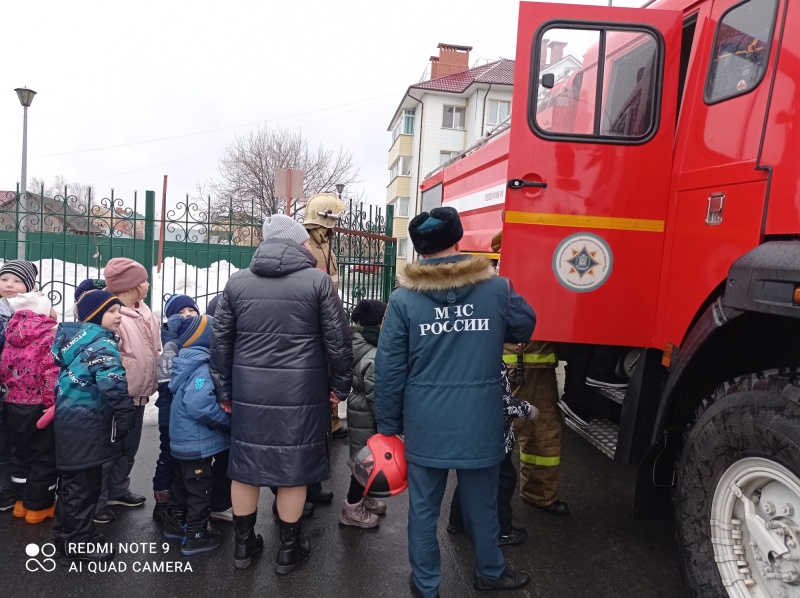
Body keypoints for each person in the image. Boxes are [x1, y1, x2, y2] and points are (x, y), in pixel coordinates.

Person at [375, 206, 536, 598]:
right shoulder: (497, 287)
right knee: (482, 502)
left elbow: (389, 368)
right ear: (458, 238)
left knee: (424, 509)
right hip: (480, 420)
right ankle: (491, 572)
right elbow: (524, 325)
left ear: (420, 248)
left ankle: (427, 585)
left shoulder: (403, 299)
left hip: (425, 422)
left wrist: (387, 427)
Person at [210, 214, 352, 574]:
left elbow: (221, 343)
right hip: (301, 393)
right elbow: (338, 341)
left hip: (249, 392)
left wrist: (224, 390)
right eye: (305, 240)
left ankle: (244, 546)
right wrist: (339, 386)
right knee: (294, 467)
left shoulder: (236, 284)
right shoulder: (319, 283)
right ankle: (288, 550)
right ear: (294, 243)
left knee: (244, 466)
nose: (309, 245)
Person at [51, 289, 134, 563]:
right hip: (89, 421)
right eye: (112, 312)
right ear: (95, 315)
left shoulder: (76, 341)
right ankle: (77, 544)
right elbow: (113, 384)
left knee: (72, 481)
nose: (118, 317)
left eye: (119, 311)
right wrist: (125, 416)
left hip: (70, 420)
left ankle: (67, 535)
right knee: (85, 485)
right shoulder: (101, 344)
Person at [492, 231, 570, 517]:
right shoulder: (516, 277)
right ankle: (526, 497)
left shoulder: (513, 272)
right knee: (528, 432)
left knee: (525, 434)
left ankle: (534, 495)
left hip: (525, 367)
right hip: (518, 367)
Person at [94, 258, 161, 524]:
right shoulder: (114, 315)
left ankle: (117, 490)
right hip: (116, 397)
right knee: (108, 449)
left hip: (140, 394)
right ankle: (97, 500)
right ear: (131, 286)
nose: (147, 284)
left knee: (128, 446)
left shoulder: (145, 312)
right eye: (143, 280)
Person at [162, 314, 231, 556]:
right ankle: (196, 535)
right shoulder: (202, 368)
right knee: (200, 489)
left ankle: (175, 523)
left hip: (182, 442)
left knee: (181, 485)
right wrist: (226, 421)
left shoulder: (186, 362)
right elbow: (198, 402)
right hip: (196, 444)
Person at [448, 363, 539, 545]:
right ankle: (502, 529)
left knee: (468, 478)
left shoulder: (462, 355)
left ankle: (457, 522)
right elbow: (500, 402)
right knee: (502, 481)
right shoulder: (490, 360)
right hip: (493, 438)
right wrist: (528, 410)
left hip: (468, 433)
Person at [1, 291, 59, 524]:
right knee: (43, 456)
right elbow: (51, 372)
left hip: (12, 405)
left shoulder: (11, 334)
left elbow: (4, 369)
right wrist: (51, 402)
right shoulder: (49, 336)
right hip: (37, 406)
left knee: (20, 455)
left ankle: (20, 502)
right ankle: (38, 507)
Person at [303, 192, 349, 444]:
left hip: (329, 311)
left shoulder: (323, 243)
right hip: (316, 317)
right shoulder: (309, 244)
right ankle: (323, 425)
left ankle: (331, 423)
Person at [152, 294, 200, 525]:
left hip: (190, 411)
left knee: (187, 461)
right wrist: (174, 330)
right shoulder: (170, 342)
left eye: (191, 310)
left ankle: (183, 503)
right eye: (180, 313)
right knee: (169, 456)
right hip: (170, 411)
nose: (187, 315)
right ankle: (162, 503)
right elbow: (169, 381)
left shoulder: (200, 339)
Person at [340, 299, 387, 529]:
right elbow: (376, 393)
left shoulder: (357, 342)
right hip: (367, 413)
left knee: (365, 458)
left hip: (359, 407)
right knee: (364, 462)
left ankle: (363, 498)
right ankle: (352, 507)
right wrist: (386, 422)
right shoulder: (374, 353)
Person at [0, 260, 40, 513]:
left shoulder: (33, 311)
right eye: (4, 279)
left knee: (12, 442)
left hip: (20, 390)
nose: (9, 285)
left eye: (16, 280)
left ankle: (8, 488)